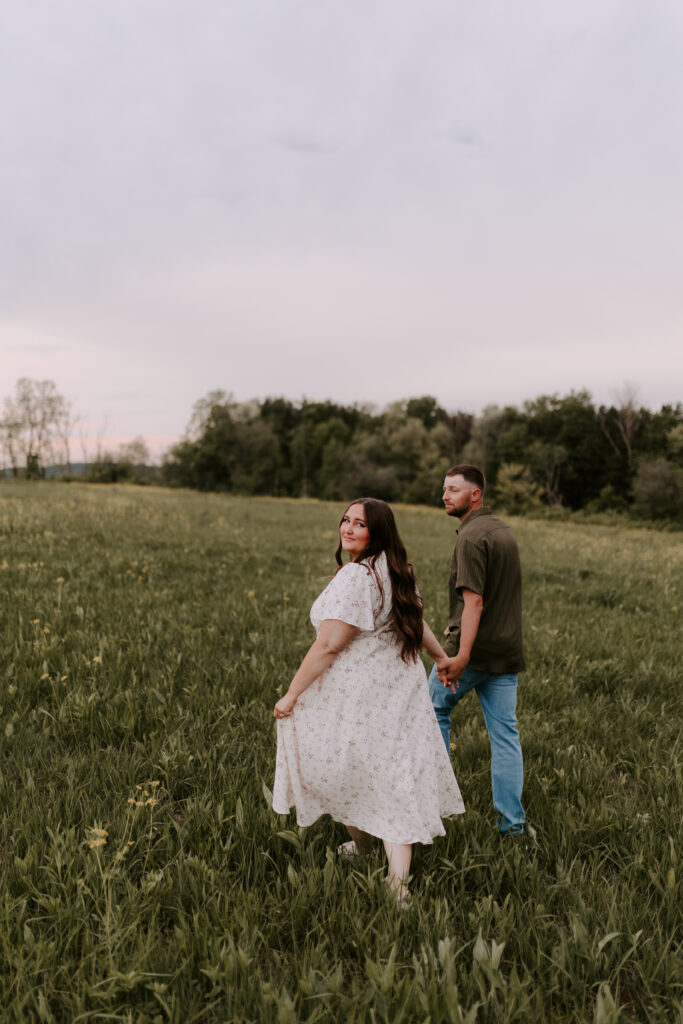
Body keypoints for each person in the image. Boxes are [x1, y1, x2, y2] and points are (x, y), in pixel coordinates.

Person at [272, 497, 465, 905]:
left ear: (376, 533)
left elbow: (327, 645)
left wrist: (291, 695)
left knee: (344, 770)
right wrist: (441, 658)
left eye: (359, 524)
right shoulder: (396, 571)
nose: (347, 528)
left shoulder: (357, 577)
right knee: (391, 776)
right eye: (345, 520)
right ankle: (374, 860)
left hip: (362, 697)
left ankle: (391, 879)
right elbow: (417, 621)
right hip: (399, 693)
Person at [430, 465, 527, 836]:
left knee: (432, 711)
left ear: (475, 495)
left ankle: (440, 806)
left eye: (453, 489)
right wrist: (455, 621)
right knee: (506, 737)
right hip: (506, 649)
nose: (445, 496)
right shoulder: (501, 529)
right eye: (444, 489)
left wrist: (461, 656)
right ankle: (512, 826)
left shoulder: (470, 538)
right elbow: (489, 595)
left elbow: (475, 603)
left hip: (472, 653)